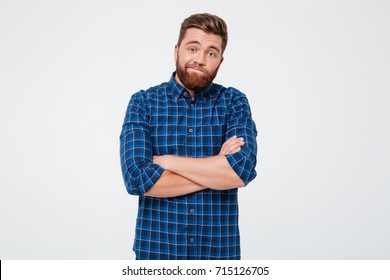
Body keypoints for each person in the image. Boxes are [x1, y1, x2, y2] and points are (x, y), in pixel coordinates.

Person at [120, 13, 257, 260]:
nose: (200, 59)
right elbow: (137, 179)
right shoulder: (143, 103)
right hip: (157, 255)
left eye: (211, 53)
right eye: (193, 48)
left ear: (220, 61)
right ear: (176, 50)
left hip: (218, 256)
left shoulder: (234, 102)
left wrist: (166, 162)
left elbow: (240, 171)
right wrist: (216, 169)